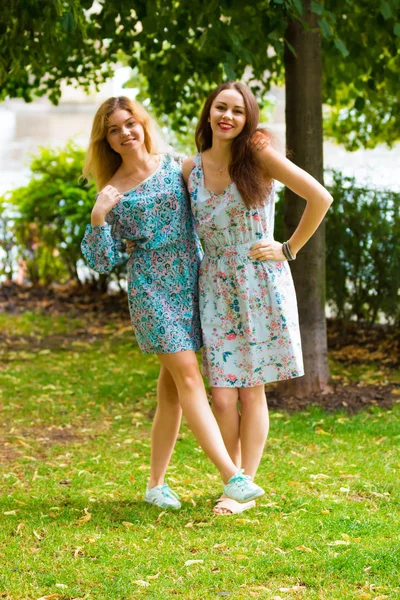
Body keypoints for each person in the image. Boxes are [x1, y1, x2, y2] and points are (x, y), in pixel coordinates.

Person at [80, 96, 265, 511]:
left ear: (143, 124)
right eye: (114, 129)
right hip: (151, 292)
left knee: (170, 392)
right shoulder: (112, 191)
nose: (125, 133)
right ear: (106, 139)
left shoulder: (176, 166)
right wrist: (98, 218)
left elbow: (219, 187)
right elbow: (101, 261)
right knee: (189, 377)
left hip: (192, 283)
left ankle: (155, 485)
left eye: (130, 123)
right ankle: (231, 476)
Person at [182, 82, 333, 515]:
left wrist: (289, 247)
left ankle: (241, 485)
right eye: (220, 108)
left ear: (248, 118)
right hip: (214, 284)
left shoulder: (259, 156)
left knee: (251, 390)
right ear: (208, 113)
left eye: (237, 111)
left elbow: (319, 197)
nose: (227, 116)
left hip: (258, 281)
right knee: (223, 394)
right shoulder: (190, 168)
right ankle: (233, 478)